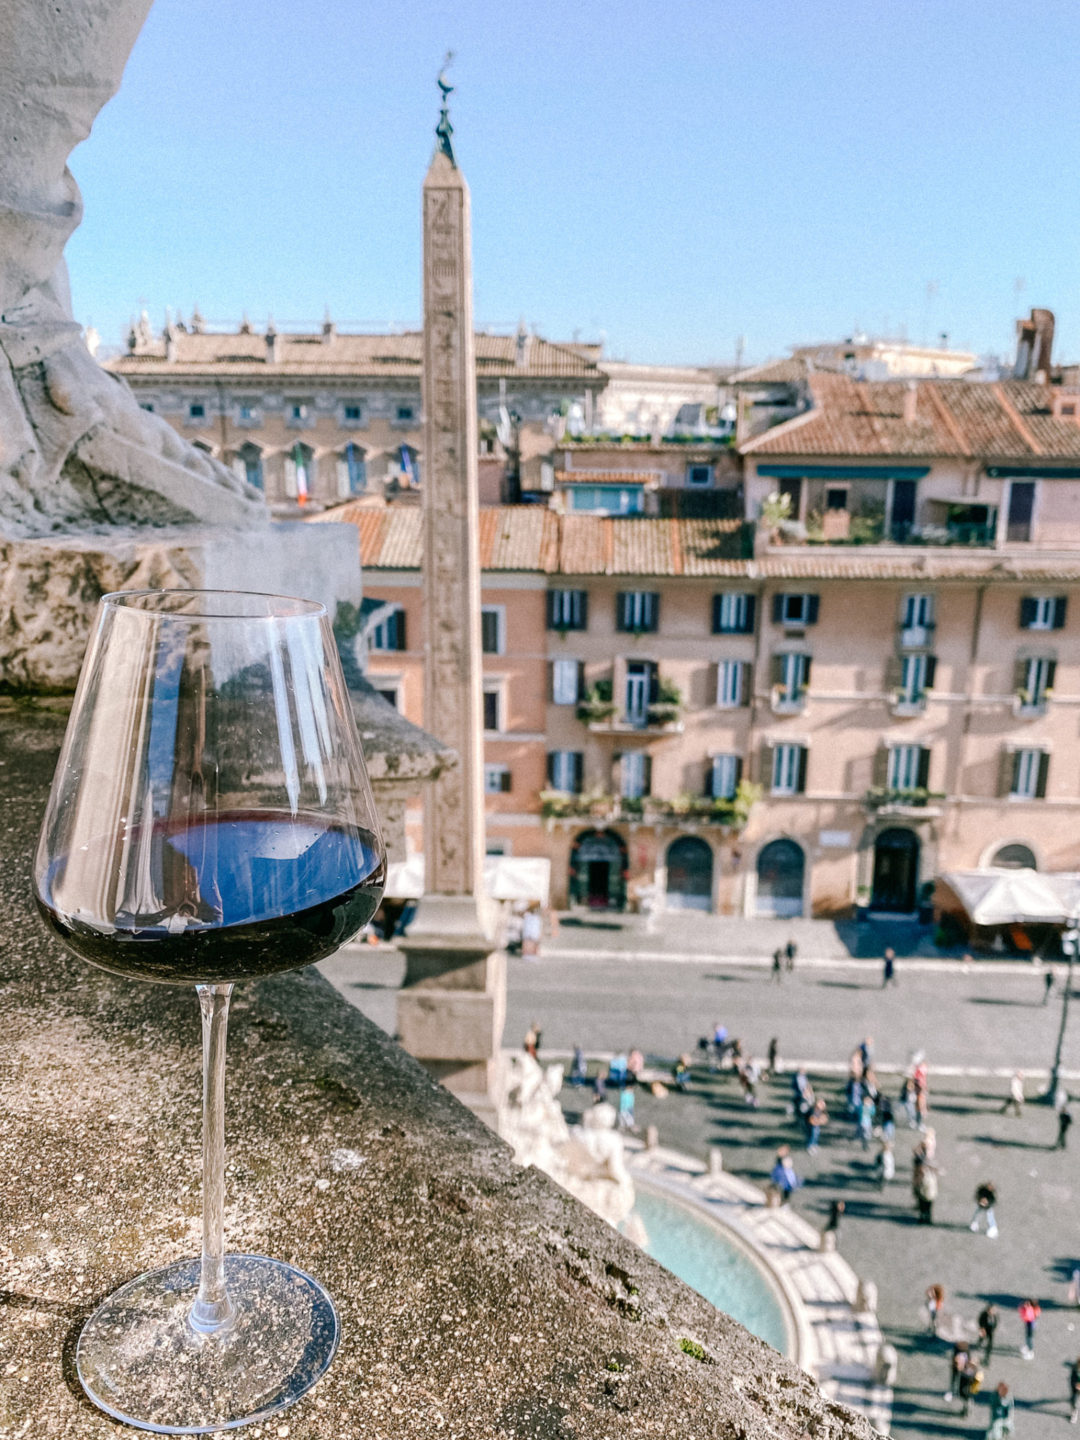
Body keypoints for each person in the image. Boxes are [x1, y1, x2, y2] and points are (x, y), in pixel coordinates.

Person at [914, 1158, 938, 1225]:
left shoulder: (925, 1173)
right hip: (926, 1194)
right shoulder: (930, 1173)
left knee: (926, 1208)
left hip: (927, 1194)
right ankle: (925, 1219)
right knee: (925, 1208)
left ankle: (925, 1219)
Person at [1069, 1355, 1080, 1424]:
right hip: (1076, 1388)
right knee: (1073, 1400)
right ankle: (1074, 1412)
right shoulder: (1075, 1369)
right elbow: (1072, 1379)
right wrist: (1075, 1385)